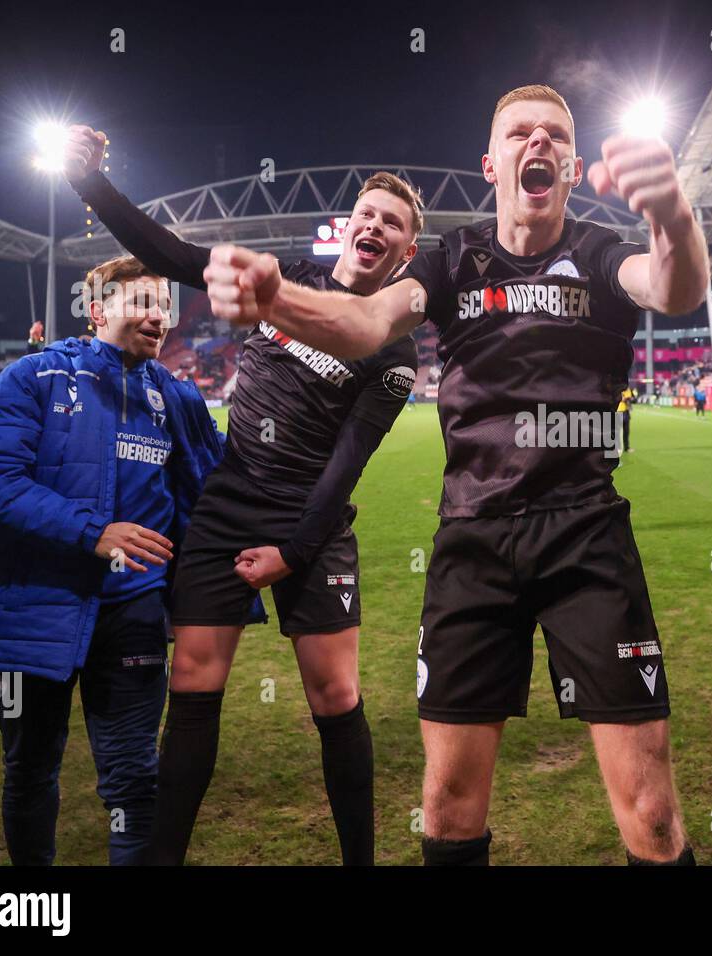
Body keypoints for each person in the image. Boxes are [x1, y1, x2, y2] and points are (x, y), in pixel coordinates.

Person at [201, 84, 710, 865]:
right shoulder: (451, 259)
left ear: (572, 167)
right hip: (474, 541)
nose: (536, 143)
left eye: (553, 136)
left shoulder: (604, 249)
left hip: (587, 534)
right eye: (518, 133)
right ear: (491, 162)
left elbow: (674, 287)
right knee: (445, 807)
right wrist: (279, 299)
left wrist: (671, 209)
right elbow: (367, 321)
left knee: (652, 813)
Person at [62, 125, 422, 865]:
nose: (374, 226)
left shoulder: (395, 351)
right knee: (193, 685)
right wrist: (91, 186)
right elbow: (177, 257)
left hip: (310, 521)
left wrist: (292, 553)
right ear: (348, 226)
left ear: (406, 252)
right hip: (228, 507)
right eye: (367, 214)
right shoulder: (287, 278)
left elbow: (348, 463)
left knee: (335, 697)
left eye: (392, 222)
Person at [0, 255, 224, 865]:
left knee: (134, 780)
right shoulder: (33, 377)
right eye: (143, 303)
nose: (159, 316)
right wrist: (94, 532)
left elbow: (221, 481)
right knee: (29, 770)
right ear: (99, 309)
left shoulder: (175, 396)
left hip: (133, 610)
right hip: (32, 606)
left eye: (165, 305)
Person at [617, 384, 635, 453]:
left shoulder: (629, 390)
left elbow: (633, 399)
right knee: (617, 431)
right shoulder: (617, 389)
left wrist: (629, 400)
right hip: (618, 411)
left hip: (626, 412)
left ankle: (627, 447)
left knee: (626, 431)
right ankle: (617, 448)